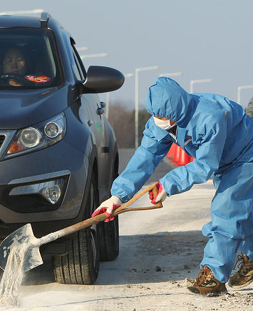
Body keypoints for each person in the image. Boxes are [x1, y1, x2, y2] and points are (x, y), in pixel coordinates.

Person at [93, 77, 253, 296]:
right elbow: (146, 156)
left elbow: (204, 165)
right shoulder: (162, 122)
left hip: (245, 156)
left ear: (177, 110)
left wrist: (166, 185)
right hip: (224, 162)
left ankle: (213, 276)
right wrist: (117, 196)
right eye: (155, 115)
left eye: (162, 116)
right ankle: (251, 257)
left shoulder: (209, 117)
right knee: (242, 211)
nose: (158, 120)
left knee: (226, 211)